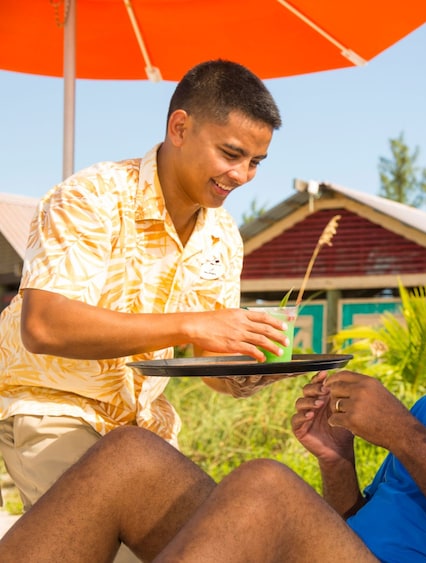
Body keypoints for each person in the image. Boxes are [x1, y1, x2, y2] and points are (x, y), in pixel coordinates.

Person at [0, 234, 426, 562]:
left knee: (268, 487)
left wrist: (405, 437)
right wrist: (338, 460)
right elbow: (358, 525)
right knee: (132, 455)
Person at [0, 59, 290, 513]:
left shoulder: (223, 236)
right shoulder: (90, 196)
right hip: (55, 412)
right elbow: (43, 326)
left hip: (145, 430)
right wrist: (193, 326)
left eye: (256, 162)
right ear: (179, 128)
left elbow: (207, 355)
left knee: (214, 540)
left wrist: (243, 374)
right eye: (231, 154)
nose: (242, 175)